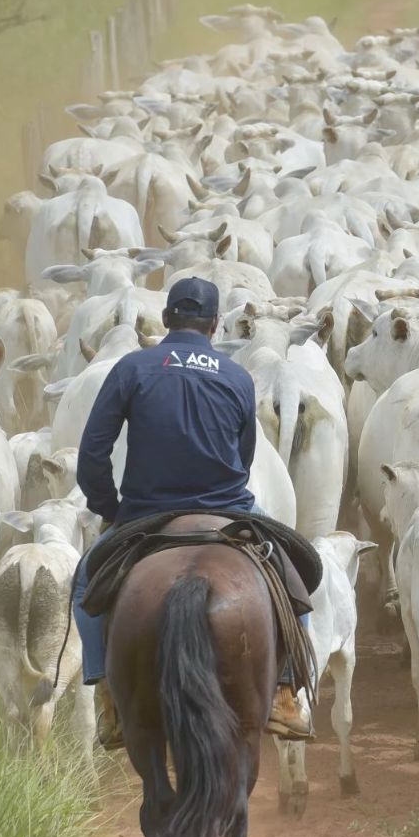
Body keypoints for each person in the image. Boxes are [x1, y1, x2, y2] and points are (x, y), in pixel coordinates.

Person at [72, 277, 313, 748]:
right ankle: (285, 692)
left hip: (144, 511)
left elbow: (92, 454)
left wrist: (111, 509)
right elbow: (243, 459)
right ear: (215, 324)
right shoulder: (237, 376)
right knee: (293, 576)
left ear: (165, 319)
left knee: (85, 584)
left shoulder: (132, 368)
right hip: (228, 506)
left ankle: (108, 698)